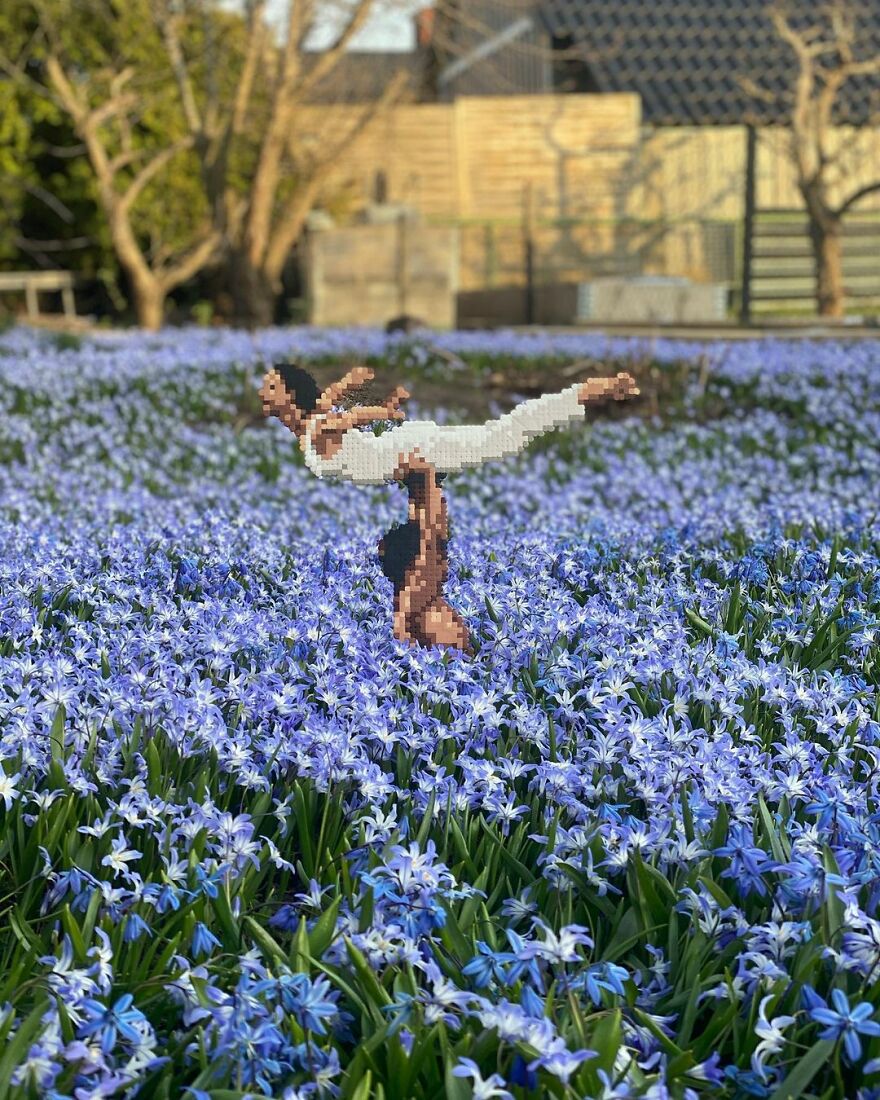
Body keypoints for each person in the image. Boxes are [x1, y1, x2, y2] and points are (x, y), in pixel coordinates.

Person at [260, 361, 639, 654]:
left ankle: (587, 392)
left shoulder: (317, 432)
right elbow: (331, 405)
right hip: (404, 456)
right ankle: (584, 394)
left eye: (272, 386)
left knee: (501, 437)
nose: (263, 391)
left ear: (291, 397)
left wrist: (381, 413)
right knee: (497, 440)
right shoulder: (311, 428)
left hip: (413, 453)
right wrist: (354, 387)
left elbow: (342, 418)